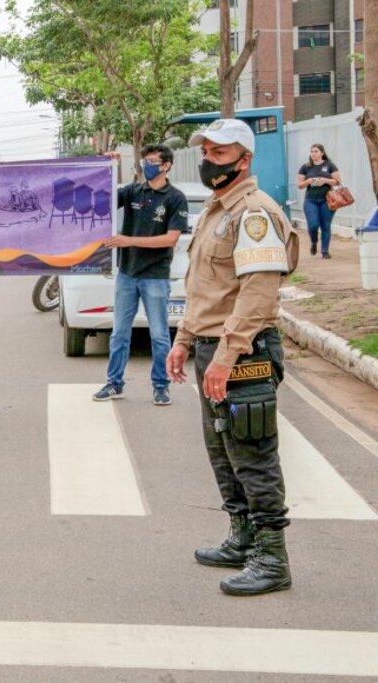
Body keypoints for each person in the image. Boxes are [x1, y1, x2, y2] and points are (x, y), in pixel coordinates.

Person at [166, 119, 297, 597]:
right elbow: (206, 289)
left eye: (220, 154)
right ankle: (241, 537)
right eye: (207, 152)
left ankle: (272, 557)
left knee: (253, 454)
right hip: (211, 347)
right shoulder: (215, 211)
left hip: (243, 352)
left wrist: (225, 356)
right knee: (223, 450)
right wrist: (184, 339)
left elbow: (256, 294)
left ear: (245, 159)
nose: (209, 161)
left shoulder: (255, 213)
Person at [93, 144, 189, 406]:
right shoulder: (134, 190)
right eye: (145, 160)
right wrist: (107, 167)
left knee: (159, 334)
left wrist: (129, 241)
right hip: (127, 274)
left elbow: (170, 239)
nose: (147, 165)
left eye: (153, 161)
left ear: (166, 165)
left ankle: (161, 386)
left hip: (155, 276)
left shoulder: (175, 198)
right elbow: (103, 197)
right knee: (119, 333)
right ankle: (115, 383)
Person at [296, 143, 342, 259]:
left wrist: (325, 180)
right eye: (312, 151)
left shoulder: (330, 165)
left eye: (316, 151)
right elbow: (300, 185)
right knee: (313, 225)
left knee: (325, 226)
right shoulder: (305, 167)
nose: (313, 154)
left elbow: (337, 181)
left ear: (322, 153)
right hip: (310, 200)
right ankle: (313, 242)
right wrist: (309, 181)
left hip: (327, 199)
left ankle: (325, 251)